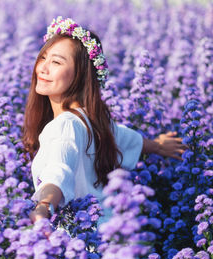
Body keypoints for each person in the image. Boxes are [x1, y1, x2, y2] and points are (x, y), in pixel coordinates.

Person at [21, 17, 187, 224]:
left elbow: (58, 171)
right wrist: (158, 146)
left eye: (56, 62)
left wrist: (43, 208)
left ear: (80, 75)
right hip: (114, 233)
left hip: (84, 245)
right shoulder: (94, 121)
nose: (43, 68)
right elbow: (126, 138)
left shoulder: (64, 125)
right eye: (43, 57)